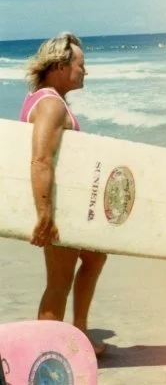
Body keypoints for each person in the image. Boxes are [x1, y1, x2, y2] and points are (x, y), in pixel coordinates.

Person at [20, 32, 107, 355]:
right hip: (57, 208)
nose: (85, 71)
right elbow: (41, 159)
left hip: (64, 205)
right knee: (59, 282)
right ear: (60, 65)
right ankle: (43, 356)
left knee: (96, 256)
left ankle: (79, 333)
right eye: (81, 65)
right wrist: (45, 214)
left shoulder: (43, 99)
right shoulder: (50, 106)